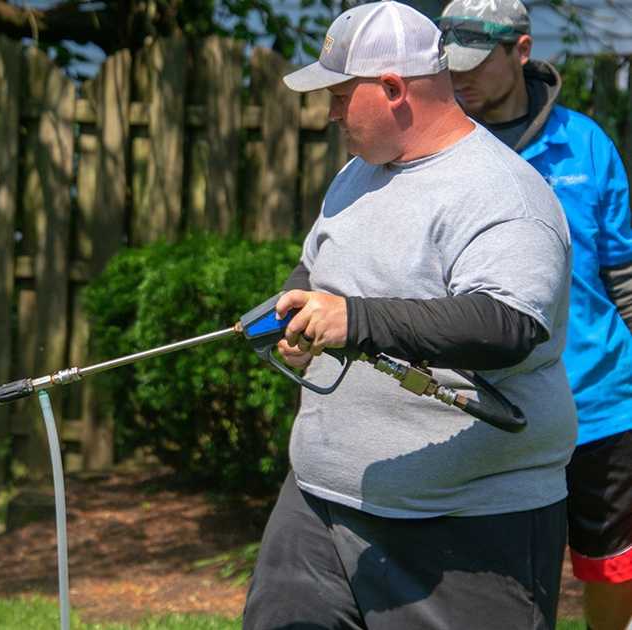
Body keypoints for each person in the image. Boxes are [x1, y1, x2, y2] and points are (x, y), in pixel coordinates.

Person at [242, 2, 577, 628]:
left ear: (394, 89)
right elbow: (319, 270)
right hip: (318, 502)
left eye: (342, 95)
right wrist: (298, 314)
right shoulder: (358, 173)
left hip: (467, 524)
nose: (333, 112)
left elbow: (507, 325)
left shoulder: (504, 193)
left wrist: (355, 320)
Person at [440, 1, 632, 627]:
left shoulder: (585, 145)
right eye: (450, 64)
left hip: (600, 401)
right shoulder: (441, 153)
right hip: (489, 407)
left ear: (520, 51)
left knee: (612, 563)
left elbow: (623, 276)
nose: (459, 79)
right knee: (504, 573)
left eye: (475, 63)